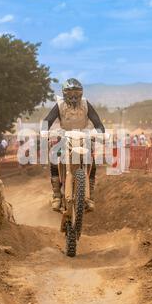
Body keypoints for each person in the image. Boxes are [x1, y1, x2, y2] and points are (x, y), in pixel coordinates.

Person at [43, 78, 105, 212]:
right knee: (54, 159)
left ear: (81, 93)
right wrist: (43, 131)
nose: (73, 96)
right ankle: (57, 196)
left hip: (84, 136)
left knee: (92, 163)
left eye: (76, 92)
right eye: (70, 92)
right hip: (64, 136)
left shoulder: (86, 104)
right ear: (64, 93)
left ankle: (90, 196)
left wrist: (100, 132)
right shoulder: (59, 105)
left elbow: (98, 123)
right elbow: (47, 120)